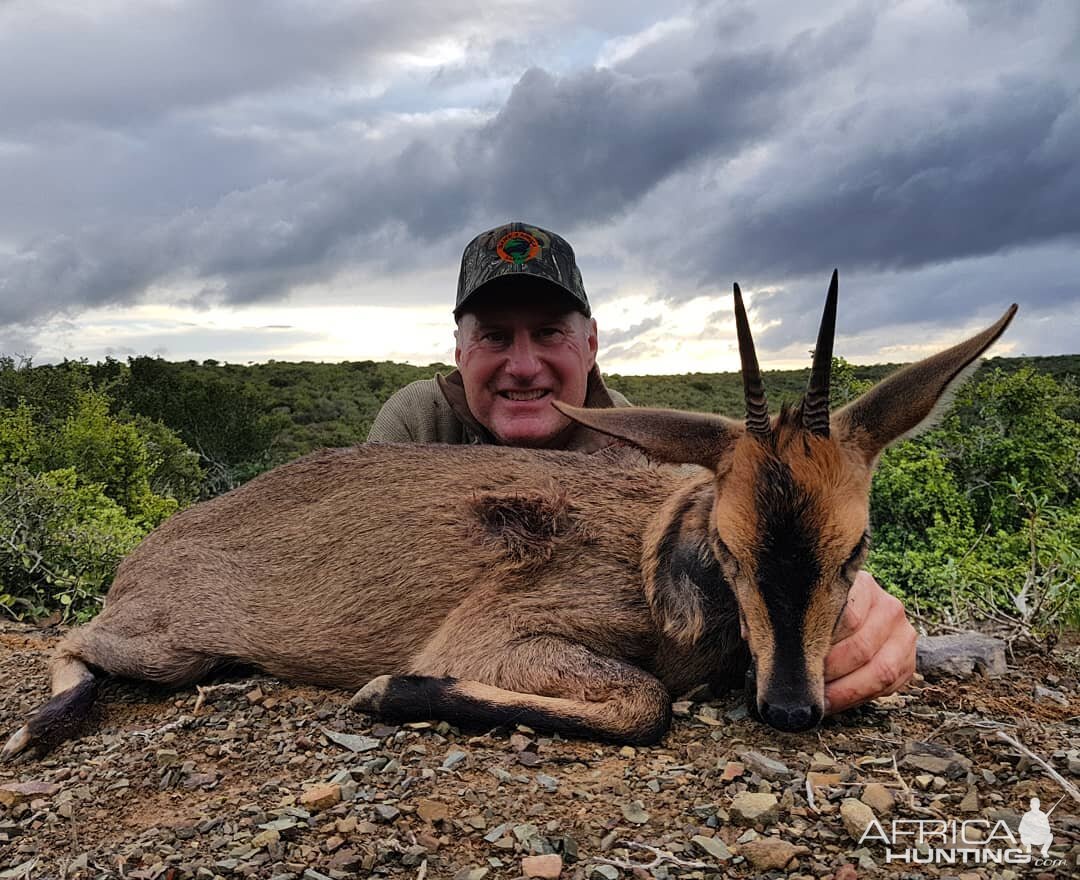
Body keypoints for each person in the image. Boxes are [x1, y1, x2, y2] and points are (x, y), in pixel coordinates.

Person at [368, 221, 917, 714]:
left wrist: (842, 587)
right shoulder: (416, 422)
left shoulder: (639, 449)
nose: (524, 364)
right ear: (460, 351)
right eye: (494, 336)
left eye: (549, 333)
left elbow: (740, 528)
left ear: (590, 344)